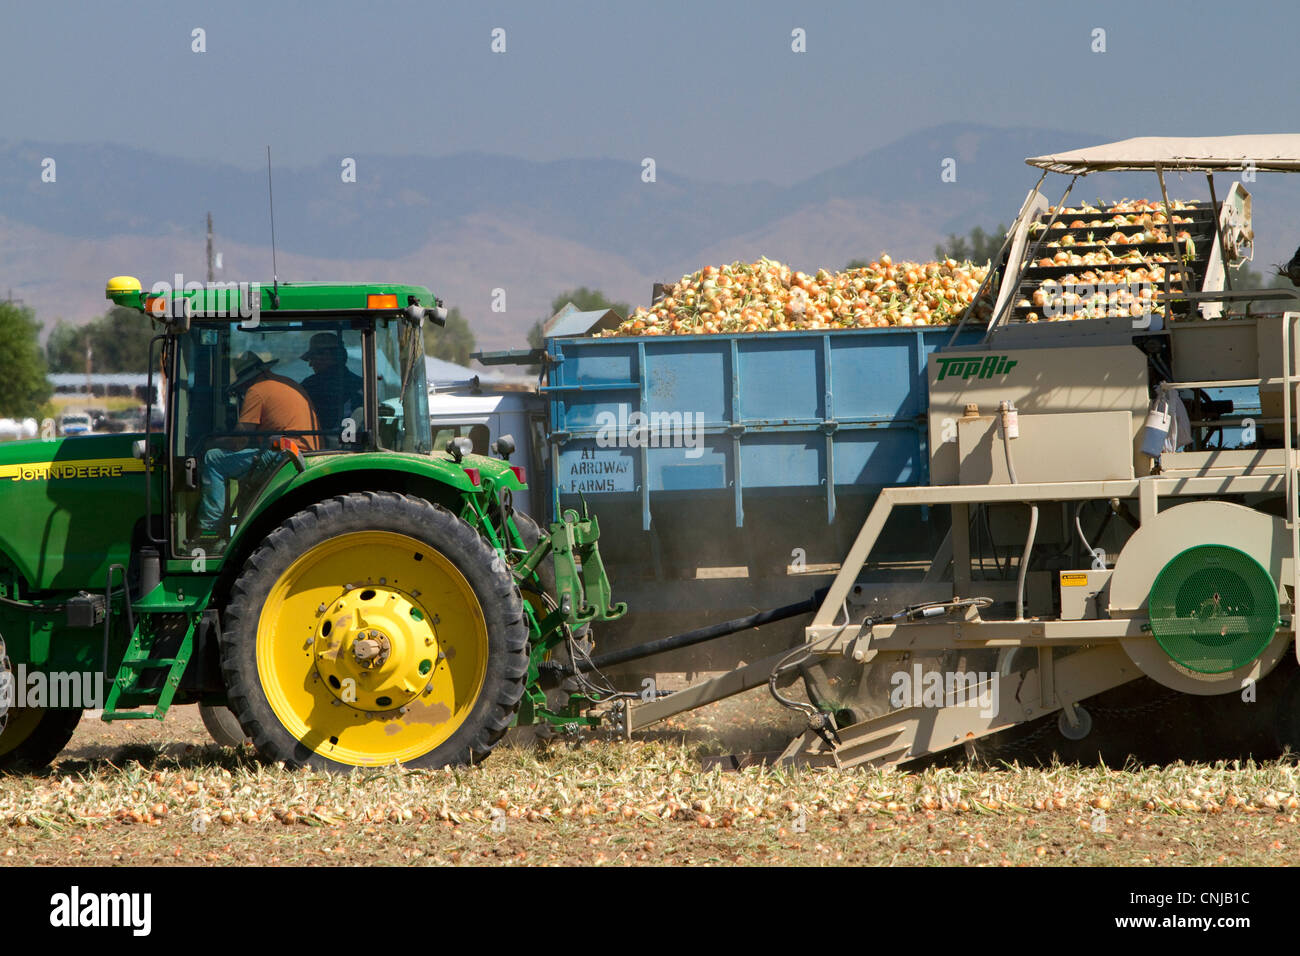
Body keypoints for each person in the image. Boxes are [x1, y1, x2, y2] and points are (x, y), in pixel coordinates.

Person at [198, 351, 320, 536]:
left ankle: (209, 528)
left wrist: (209, 442)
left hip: (284, 454)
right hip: (304, 451)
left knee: (213, 459)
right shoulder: (285, 383)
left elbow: (239, 441)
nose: (243, 390)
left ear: (247, 380)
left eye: (243, 385)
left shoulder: (257, 390)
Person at [300, 332, 364, 438]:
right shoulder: (361, 384)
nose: (310, 364)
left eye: (312, 358)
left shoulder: (312, 386)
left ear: (327, 355)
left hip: (322, 446)